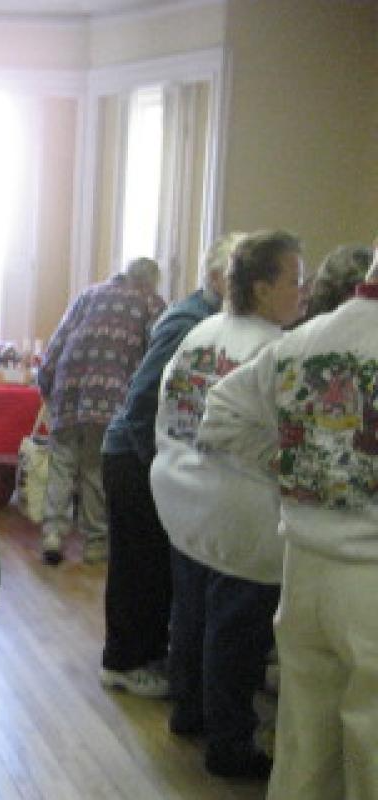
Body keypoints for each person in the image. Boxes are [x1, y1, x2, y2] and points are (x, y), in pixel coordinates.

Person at [197, 246, 378, 800]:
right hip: (369, 574)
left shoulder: (305, 339)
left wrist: (292, 466)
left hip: (303, 567)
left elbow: (221, 410)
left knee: (303, 744)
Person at [150, 230, 304, 779]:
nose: (303, 293)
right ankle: (230, 744)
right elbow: (276, 437)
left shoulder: (200, 333)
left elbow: (170, 411)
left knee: (191, 614)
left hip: (182, 495)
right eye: (294, 280)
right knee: (237, 634)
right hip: (240, 510)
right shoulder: (275, 351)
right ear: (262, 288)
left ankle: (189, 711)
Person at [98, 233, 241, 699]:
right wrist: (157, 468)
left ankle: (146, 654)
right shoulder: (188, 322)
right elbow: (142, 399)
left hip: (146, 455)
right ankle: (124, 660)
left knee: (153, 565)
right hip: (134, 455)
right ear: (219, 277)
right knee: (137, 565)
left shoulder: (210, 319)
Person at [36, 257, 165, 565]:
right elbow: (155, 354)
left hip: (68, 387)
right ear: (150, 281)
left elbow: (57, 342)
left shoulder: (90, 294)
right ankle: (95, 542)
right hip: (110, 394)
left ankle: (53, 533)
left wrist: (46, 384)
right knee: (95, 467)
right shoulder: (151, 303)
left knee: (61, 463)